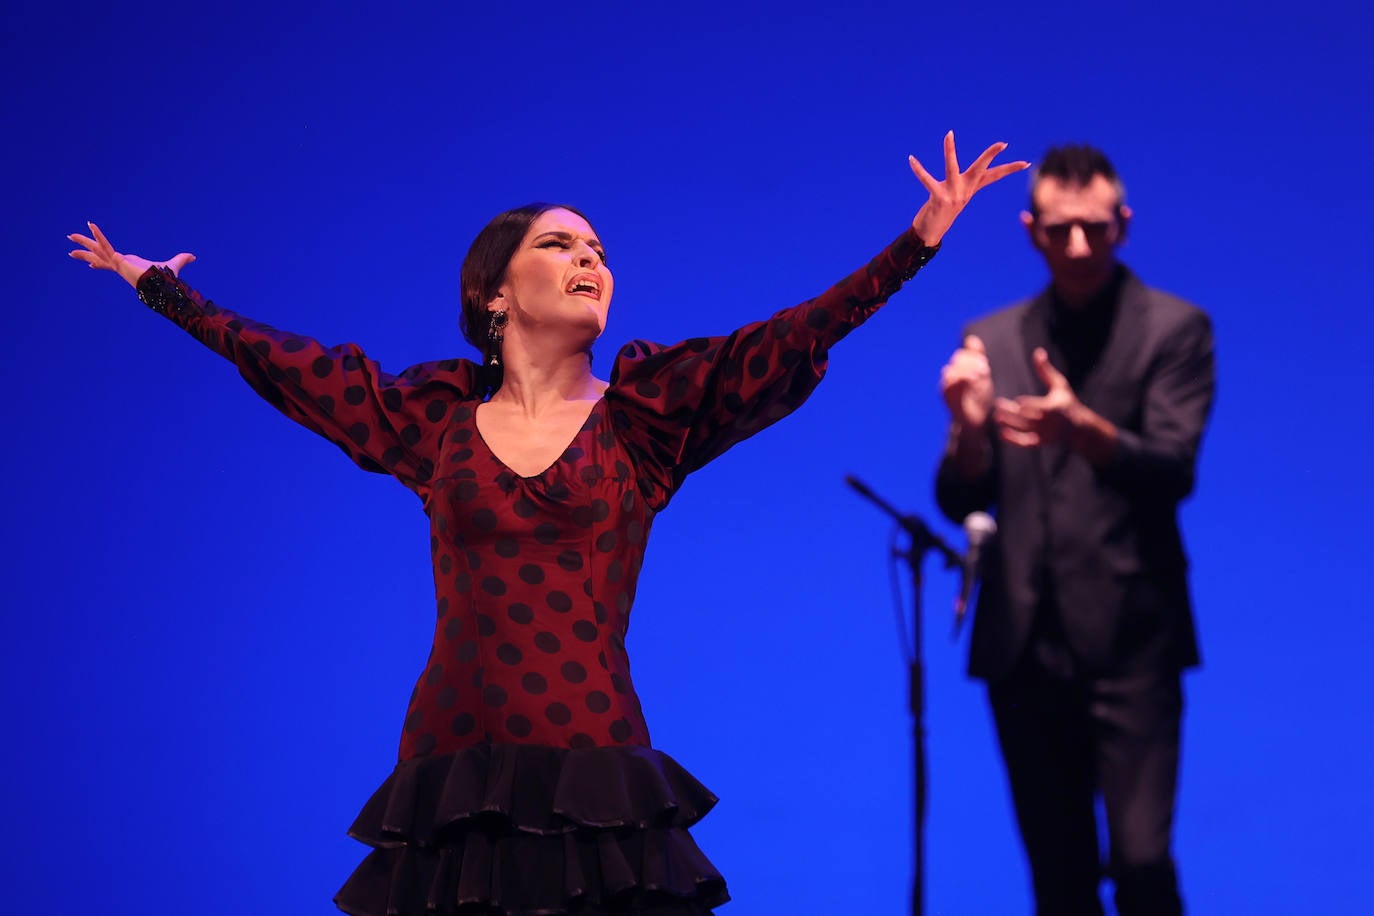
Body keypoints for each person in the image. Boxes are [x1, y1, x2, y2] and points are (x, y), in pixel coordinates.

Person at [71, 133, 1027, 916]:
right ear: (495, 293)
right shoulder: (434, 422)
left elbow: (786, 339)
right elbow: (295, 369)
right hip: (454, 762)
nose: (590, 260)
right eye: (561, 245)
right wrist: (165, 291)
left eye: (599, 251)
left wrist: (914, 245)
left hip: (591, 761)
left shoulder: (645, 420)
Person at [935, 144, 1215, 915]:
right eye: (1061, 231)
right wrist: (969, 430)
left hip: (1135, 641)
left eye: (1096, 227)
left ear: (1124, 223)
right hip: (1024, 647)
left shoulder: (1175, 329)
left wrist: (1082, 429)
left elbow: (1173, 469)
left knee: (1143, 866)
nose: (1080, 246)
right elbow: (959, 498)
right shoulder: (992, 337)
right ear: (1032, 231)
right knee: (1059, 882)